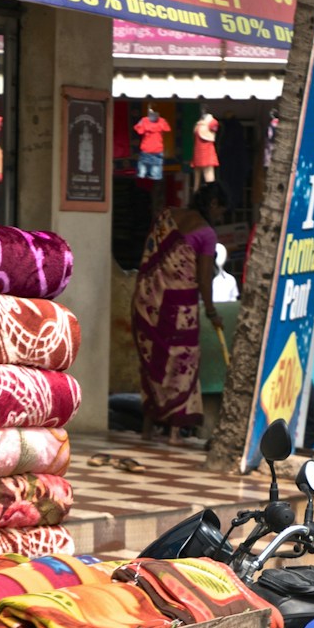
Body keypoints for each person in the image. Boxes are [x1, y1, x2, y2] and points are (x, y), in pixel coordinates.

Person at [131, 181, 227, 435]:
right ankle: (174, 432)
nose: (220, 217)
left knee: (154, 366)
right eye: (221, 212)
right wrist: (212, 313)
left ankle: (148, 427)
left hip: (147, 303)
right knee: (181, 366)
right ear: (214, 205)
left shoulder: (166, 217)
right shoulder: (206, 233)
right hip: (179, 310)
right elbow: (204, 280)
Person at [133, 106, 168, 182]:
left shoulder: (144, 121)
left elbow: (139, 131)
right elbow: (167, 129)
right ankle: (154, 176)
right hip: (157, 148)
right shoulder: (162, 121)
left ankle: (142, 175)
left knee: (143, 166)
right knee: (156, 167)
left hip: (146, 148)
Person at [192, 108, 220, 184]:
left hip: (208, 151)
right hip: (198, 152)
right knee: (196, 178)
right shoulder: (199, 123)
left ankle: (211, 192)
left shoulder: (212, 122)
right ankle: (196, 193)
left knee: (209, 176)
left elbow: (214, 128)